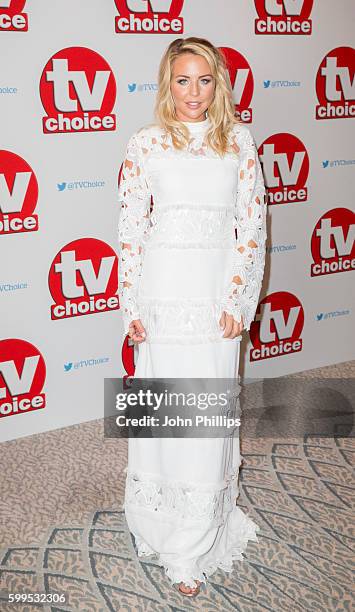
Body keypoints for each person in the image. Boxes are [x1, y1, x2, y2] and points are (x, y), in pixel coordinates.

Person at [117, 37, 267, 597]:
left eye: (204, 80)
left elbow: (251, 229)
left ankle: (195, 541)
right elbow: (131, 229)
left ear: (218, 84)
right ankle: (159, 524)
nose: (193, 93)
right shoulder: (145, 144)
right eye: (183, 80)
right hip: (160, 296)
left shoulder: (239, 142)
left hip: (213, 303)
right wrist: (131, 305)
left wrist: (238, 302)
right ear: (167, 83)